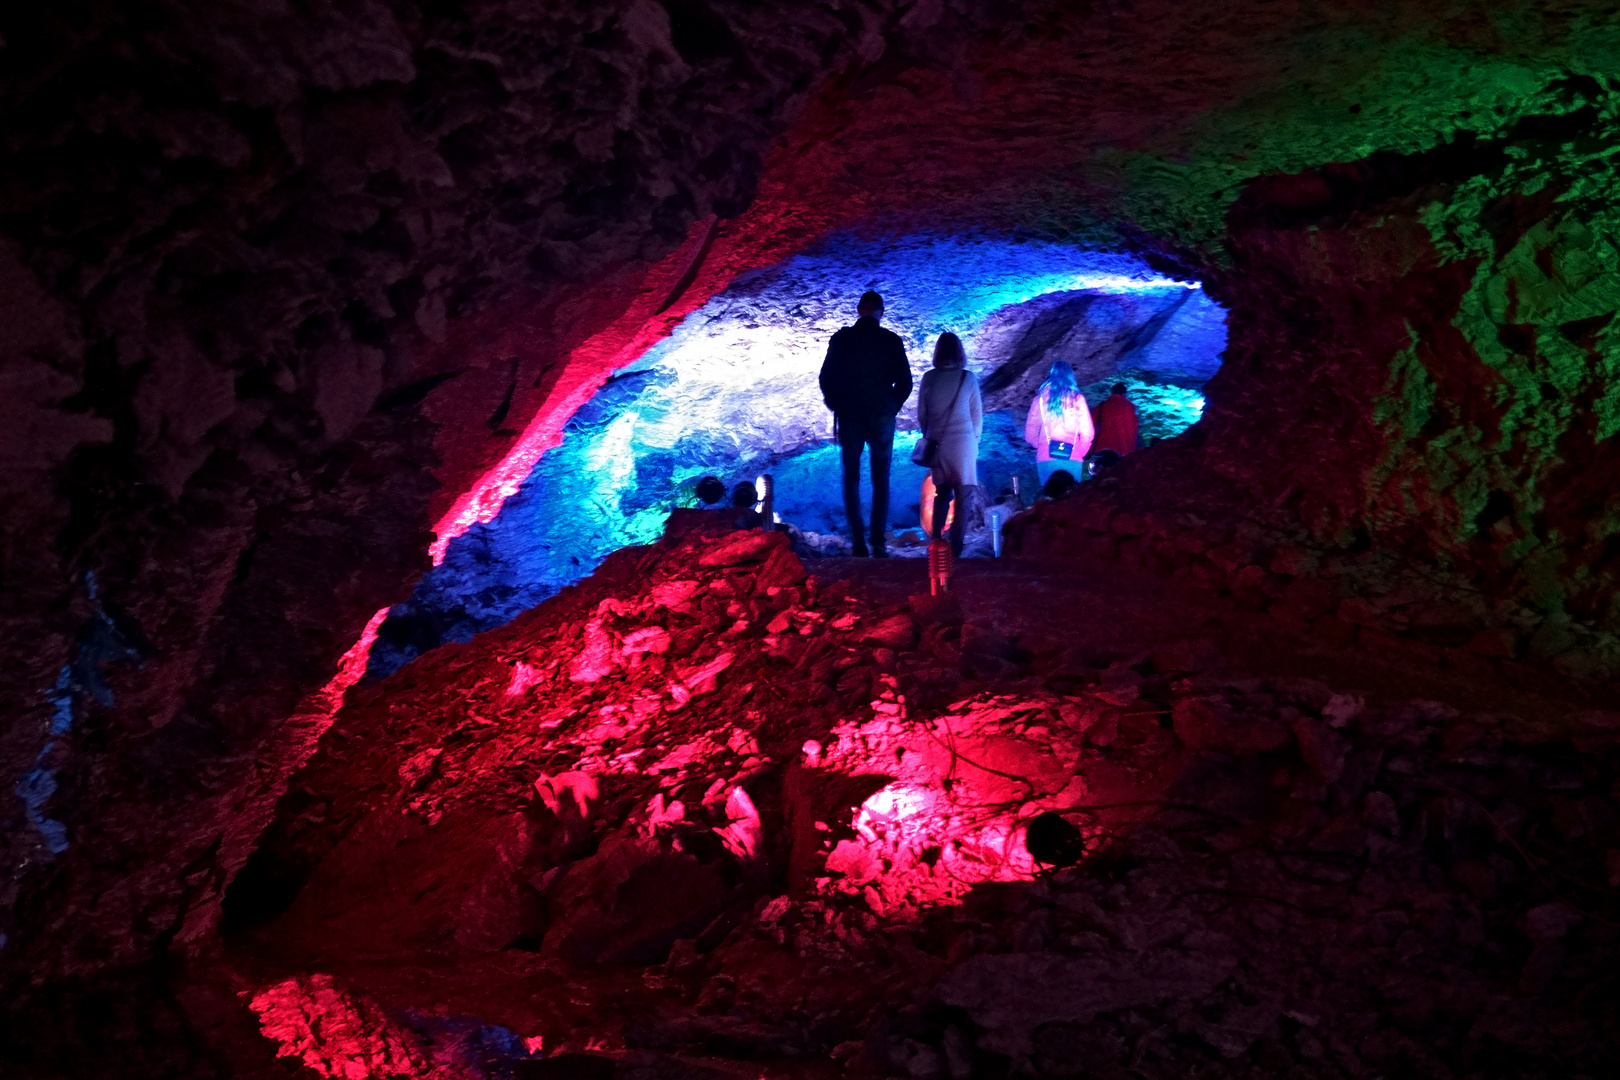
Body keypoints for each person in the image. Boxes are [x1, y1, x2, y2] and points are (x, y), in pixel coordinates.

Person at [819, 290, 912, 557]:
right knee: (880, 478)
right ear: (882, 313)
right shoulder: (891, 341)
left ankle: (858, 541)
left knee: (851, 477)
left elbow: (826, 378)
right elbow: (905, 382)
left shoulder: (842, 339)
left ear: (859, 310)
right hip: (881, 414)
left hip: (850, 415)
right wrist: (891, 406)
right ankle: (878, 542)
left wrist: (837, 404)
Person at [917, 331, 982, 557]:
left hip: (939, 443)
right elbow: (976, 417)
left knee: (942, 495)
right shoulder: (968, 378)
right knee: (963, 498)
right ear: (959, 352)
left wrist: (931, 436)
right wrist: (974, 444)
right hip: (964, 443)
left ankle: (936, 543)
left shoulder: (929, 378)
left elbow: (922, 416)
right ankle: (956, 549)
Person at [1024, 360, 1093, 488]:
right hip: (1072, 457)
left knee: (1050, 503)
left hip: (1045, 457)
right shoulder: (1078, 398)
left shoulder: (1039, 399)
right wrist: (1078, 451)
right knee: (1071, 501)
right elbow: (1088, 434)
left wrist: (1042, 446)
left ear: (1051, 374)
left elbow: (1029, 433)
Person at [1092, 382, 1140, 458]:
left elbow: (1092, 423)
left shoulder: (1102, 406)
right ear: (1124, 393)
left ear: (1112, 392)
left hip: (1103, 447)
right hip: (1125, 450)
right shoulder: (1131, 407)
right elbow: (1134, 428)